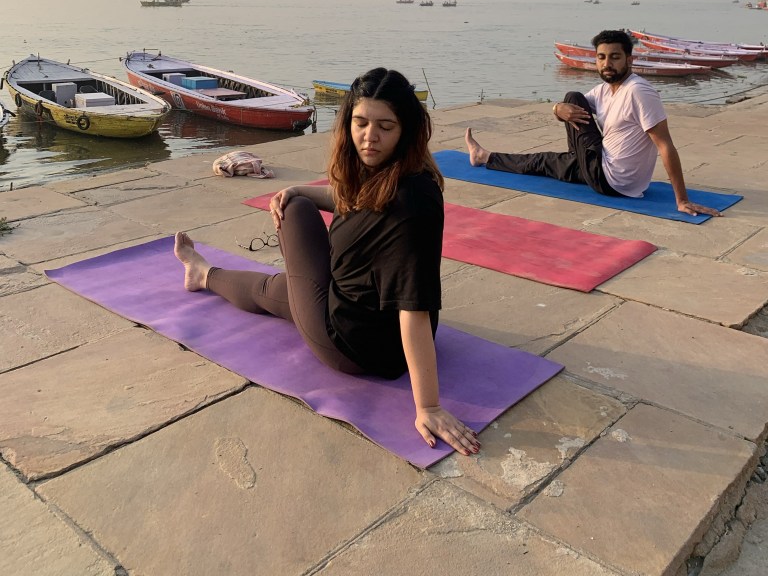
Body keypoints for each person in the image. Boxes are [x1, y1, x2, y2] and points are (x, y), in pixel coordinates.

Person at [175, 67, 481, 456]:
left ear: (407, 129)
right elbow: (357, 202)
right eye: (361, 123)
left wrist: (428, 407)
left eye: (385, 126)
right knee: (280, 281)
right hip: (368, 323)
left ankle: (207, 274)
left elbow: (413, 306)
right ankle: (202, 274)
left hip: (350, 343)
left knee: (296, 211)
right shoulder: (396, 173)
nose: (370, 137)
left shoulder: (411, 204)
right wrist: (300, 187)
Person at [465, 29, 720, 218]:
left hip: (610, 178)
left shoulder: (639, 92)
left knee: (572, 97)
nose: (607, 64)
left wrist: (682, 200)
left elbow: (665, 145)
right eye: (601, 57)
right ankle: (484, 156)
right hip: (605, 169)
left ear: (630, 59)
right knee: (543, 161)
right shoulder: (604, 90)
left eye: (615, 57)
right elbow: (570, 112)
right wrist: (556, 109)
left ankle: (573, 157)